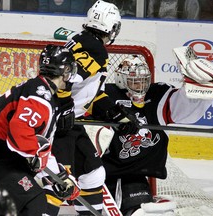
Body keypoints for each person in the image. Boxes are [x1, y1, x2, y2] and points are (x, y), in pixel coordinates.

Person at [91, 47, 213, 215]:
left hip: (137, 173)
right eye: (134, 81)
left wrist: (197, 90)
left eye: (144, 80)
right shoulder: (107, 95)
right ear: (121, 80)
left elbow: (183, 113)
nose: (140, 86)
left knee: (144, 210)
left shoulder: (156, 94)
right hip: (108, 173)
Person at [51, 0, 139, 215]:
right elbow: (64, 76)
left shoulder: (79, 40)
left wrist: (114, 113)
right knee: (58, 183)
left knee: (93, 174)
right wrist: (64, 108)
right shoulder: (96, 49)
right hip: (55, 125)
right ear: (111, 27)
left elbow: (88, 91)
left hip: (67, 124)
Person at [0, 44, 80, 215]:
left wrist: (60, 177)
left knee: (24, 201)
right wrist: (38, 157)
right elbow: (19, 131)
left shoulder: (42, 91)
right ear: (64, 70)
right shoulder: (40, 95)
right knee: (33, 201)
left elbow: (39, 146)